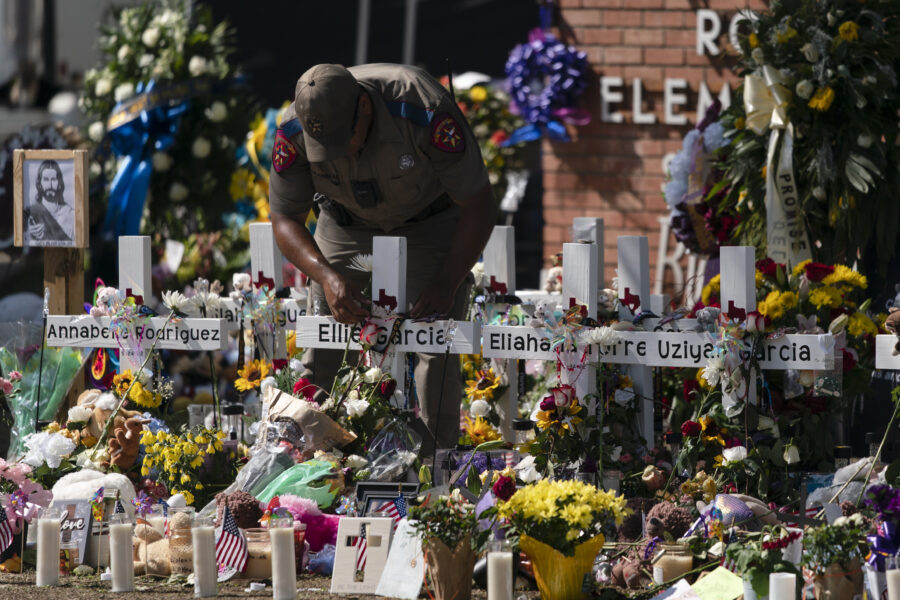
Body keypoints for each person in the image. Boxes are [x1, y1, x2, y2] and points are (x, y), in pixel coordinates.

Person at [269, 63, 496, 452]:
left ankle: (433, 461)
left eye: (346, 139)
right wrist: (326, 276)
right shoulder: (293, 129)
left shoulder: (421, 107)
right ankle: (312, 456)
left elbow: (479, 202)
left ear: (365, 106)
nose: (342, 154)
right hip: (345, 224)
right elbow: (284, 217)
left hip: (429, 220)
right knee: (326, 334)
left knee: (433, 337)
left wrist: (447, 281)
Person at [25, 159, 73, 243]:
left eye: (53, 179)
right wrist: (27, 232)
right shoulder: (30, 213)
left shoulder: (70, 214)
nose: (50, 185)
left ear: (59, 183)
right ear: (39, 183)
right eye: (46, 179)